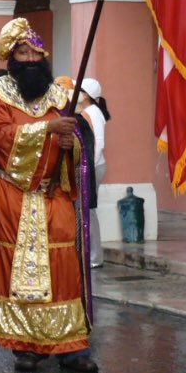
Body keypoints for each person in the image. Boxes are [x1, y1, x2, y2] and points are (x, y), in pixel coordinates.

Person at [0, 18, 97, 373]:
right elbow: (0, 136)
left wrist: (71, 146)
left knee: (64, 266)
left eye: (37, 51)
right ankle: (26, 346)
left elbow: (80, 143)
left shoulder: (59, 95)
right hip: (12, 195)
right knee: (15, 273)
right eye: (24, 52)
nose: (32, 58)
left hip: (54, 193)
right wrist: (48, 129)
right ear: (12, 57)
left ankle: (71, 345)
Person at [76, 78, 110, 268]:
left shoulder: (93, 112)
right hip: (89, 165)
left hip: (93, 166)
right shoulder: (87, 111)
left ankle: (95, 256)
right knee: (84, 209)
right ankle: (87, 252)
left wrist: (88, 166)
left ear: (87, 95)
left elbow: (99, 143)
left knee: (89, 209)